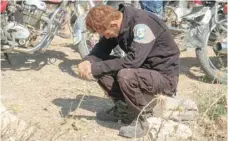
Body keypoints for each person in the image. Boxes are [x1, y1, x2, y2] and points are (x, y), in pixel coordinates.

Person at [78, 4, 180, 138]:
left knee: (125, 74)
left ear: (113, 24)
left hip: (164, 77)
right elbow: (103, 47)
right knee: (101, 65)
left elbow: (133, 61)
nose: (107, 37)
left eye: (106, 34)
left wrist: (95, 68)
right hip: (143, 71)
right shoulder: (119, 22)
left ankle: (142, 119)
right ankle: (125, 109)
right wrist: (88, 61)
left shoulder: (142, 24)